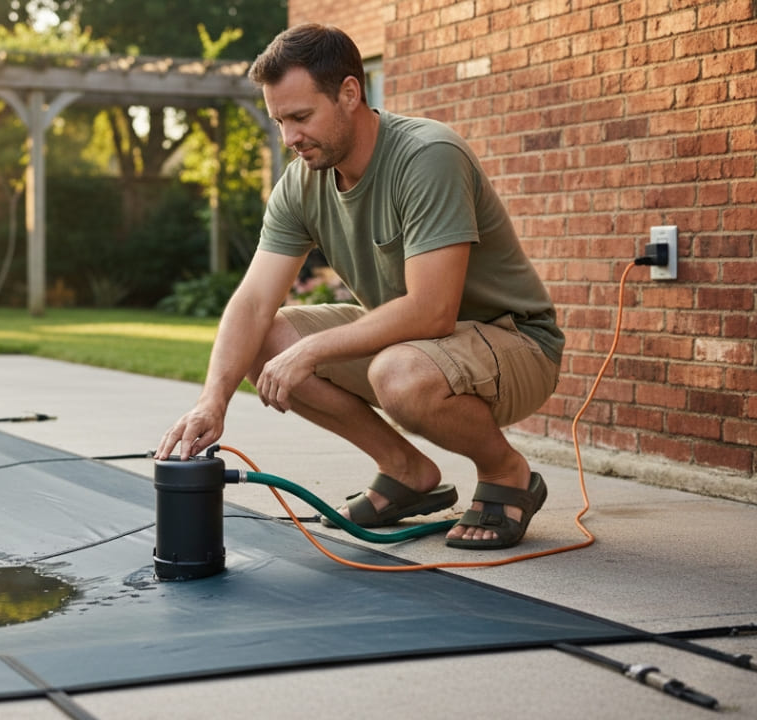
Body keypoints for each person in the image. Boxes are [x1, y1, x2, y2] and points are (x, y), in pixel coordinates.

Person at [154, 23, 565, 550]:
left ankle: (507, 473)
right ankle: (406, 471)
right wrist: (213, 401)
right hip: (417, 346)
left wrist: (313, 351)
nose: (289, 139)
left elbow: (433, 310)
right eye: (279, 121)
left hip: (515, 343)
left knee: (398, 373)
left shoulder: (426, 156)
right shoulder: (302, 182)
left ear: (350, 93)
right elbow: (255, 300)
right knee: (268, 342)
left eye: (301, 117)